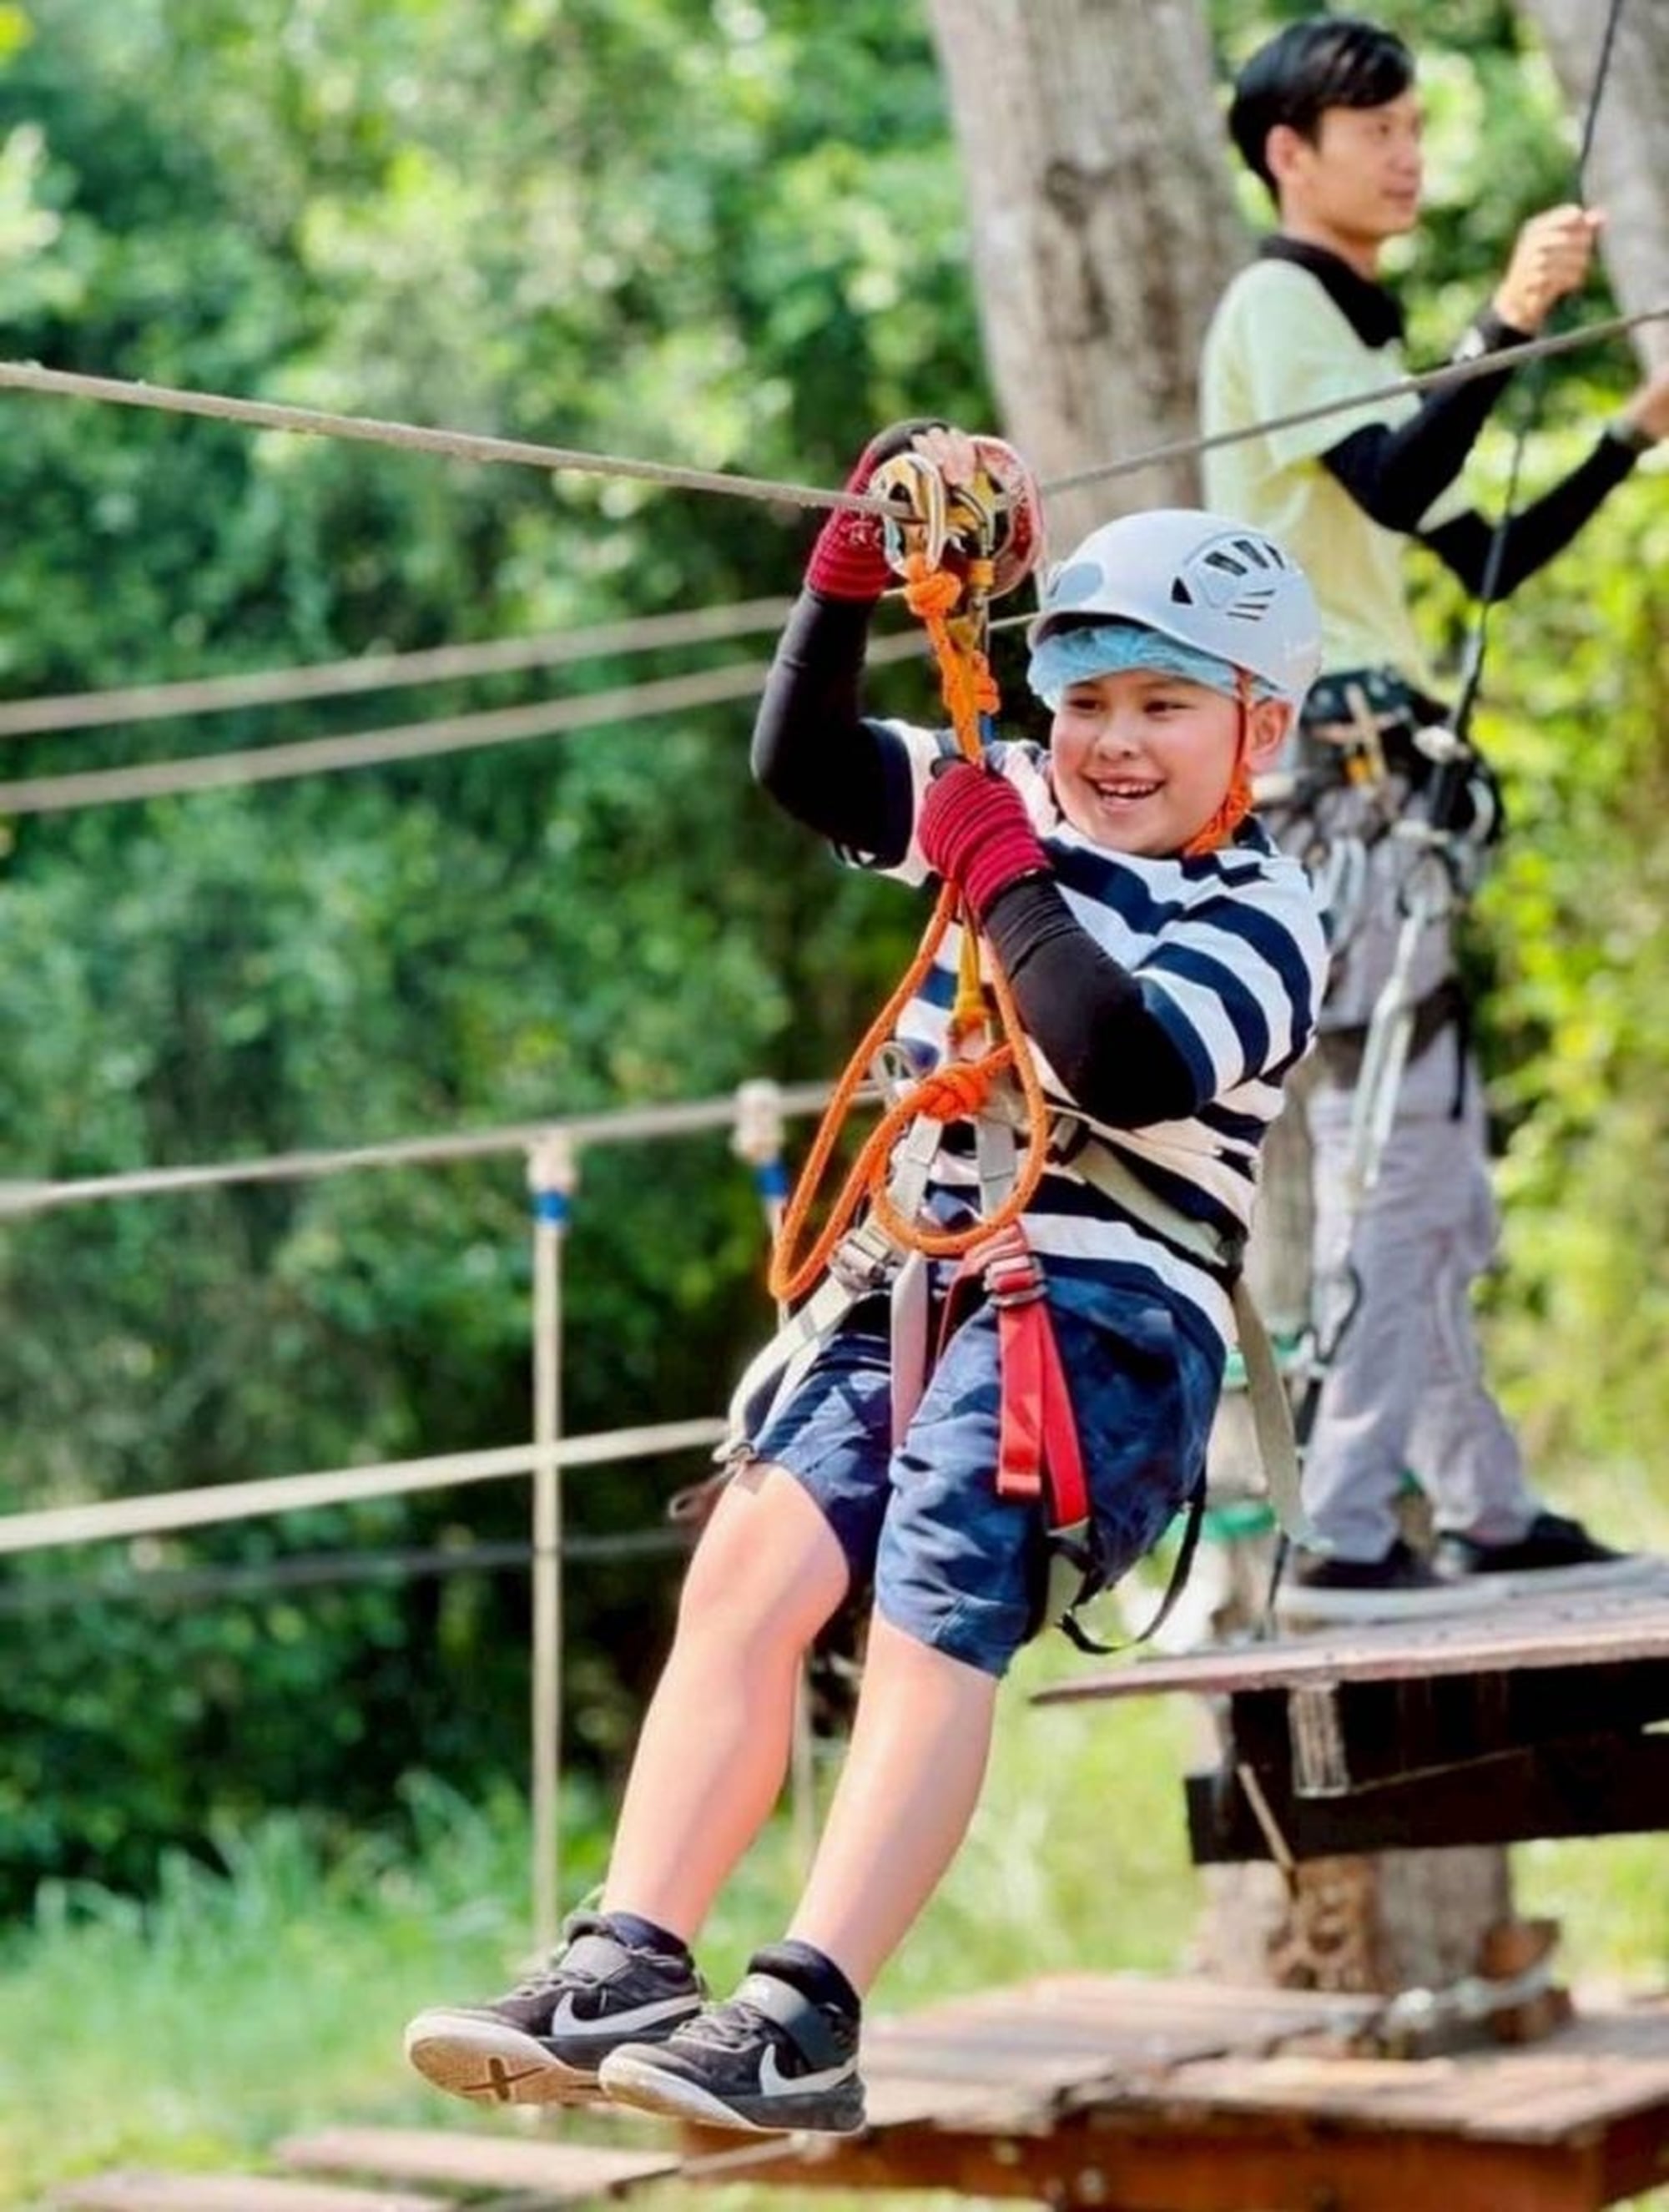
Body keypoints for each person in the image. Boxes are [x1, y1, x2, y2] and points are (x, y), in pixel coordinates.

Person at [403, 422, 1328, 2136]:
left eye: (1164, 707)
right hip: (918, 1279)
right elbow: (809, 762)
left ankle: (807, 2011)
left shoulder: (1267, 911)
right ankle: (630, 1954)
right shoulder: (1015, 789)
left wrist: (996, 867)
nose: (1113, 743)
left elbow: (1120, 1056)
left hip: (1102, 1321)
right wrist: (843, 574)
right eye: (1087, 703)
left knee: (931, 1593)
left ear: (1256, 732)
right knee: (748, 1572)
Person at [1199, 13, 1669, 1620]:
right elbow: (1403, 485)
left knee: (1438, 1165)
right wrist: (1509, 317)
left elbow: (1482, 555)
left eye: (1415, 127)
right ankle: (1341, 1520)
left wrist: (1623, 434)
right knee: (1397, 1152)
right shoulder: (1278, 304)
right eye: (1377, 132)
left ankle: (1482, 1502)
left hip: (1380, 786)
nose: (1409, 157)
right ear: (1289, 156)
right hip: (1340, 791)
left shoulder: (1352, 332)